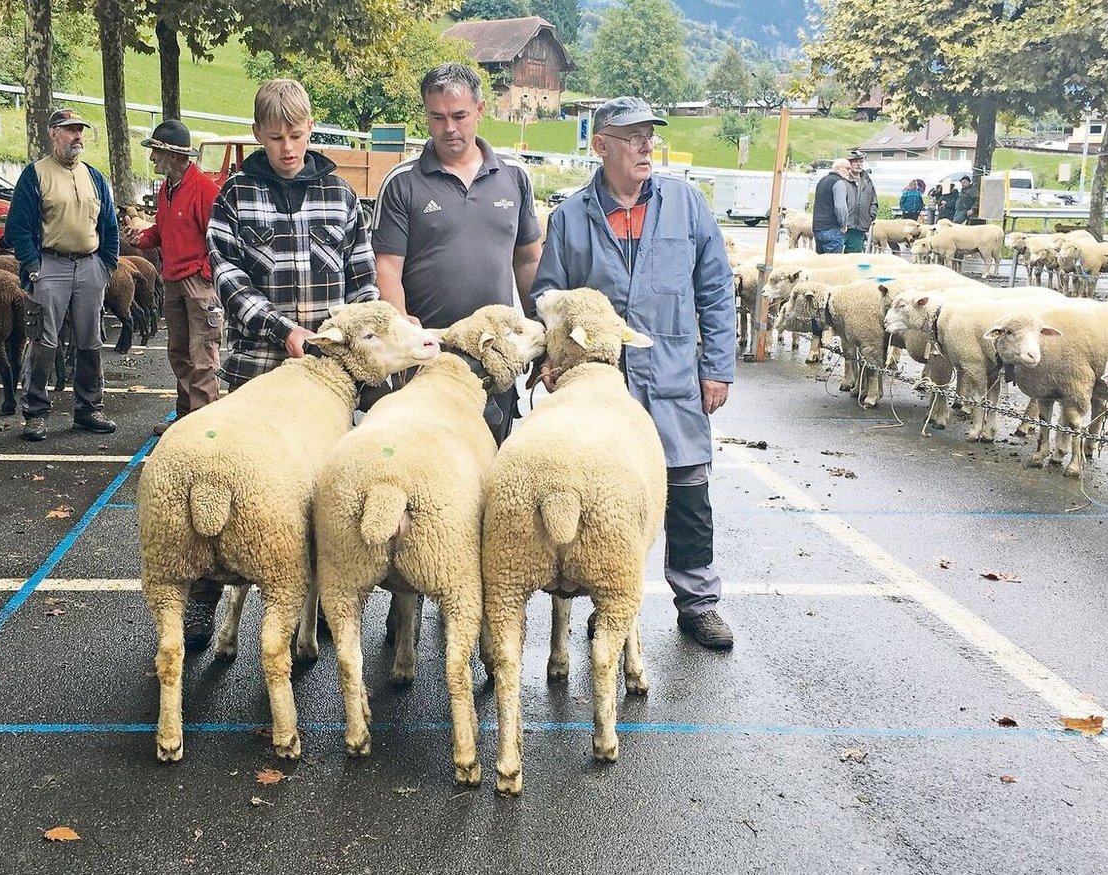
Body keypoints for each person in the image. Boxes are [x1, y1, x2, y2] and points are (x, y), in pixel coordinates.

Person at [530, 96, 738, 651]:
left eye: (649, 136)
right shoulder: (571, 217)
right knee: (603, 497)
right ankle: (609, 604)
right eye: (632, 138)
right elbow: (548, 296)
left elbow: (716, 289)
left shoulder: (685, 204)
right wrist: (552, 356)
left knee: (688, 491)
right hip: (600, 386)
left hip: (672, 376)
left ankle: (698, 603)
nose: (646, 146)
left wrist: (717, 366)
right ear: (601, 146)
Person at [194, 78, 378, 650]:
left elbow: (362, 279)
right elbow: (227, 276)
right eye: (276, 138)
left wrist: (356, 337)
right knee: (234, 478)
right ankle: (205, 592)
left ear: (310, 128)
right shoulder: (234, 195)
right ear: (258, 134)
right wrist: (283, 329)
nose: (288, 147)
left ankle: (316, 603)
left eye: (296, 135)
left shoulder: (340, 196)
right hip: (258, 369)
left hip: (326, 379)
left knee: (321, 484)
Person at [372, 62, 542, 445]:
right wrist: (405, 334)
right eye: (438, 117)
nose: (449, 127)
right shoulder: (402, 183)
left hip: (496, 357)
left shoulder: (514, 176)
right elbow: (386, 269)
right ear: (426, 116)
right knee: (427, 465)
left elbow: (529, 260)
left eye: (459, 116)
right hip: (431, 356)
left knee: (489, 461)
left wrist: (537, 333)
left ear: (480, 110)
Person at [5, 108, 121, 442]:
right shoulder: (35, 175)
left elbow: (109, 224)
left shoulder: (94, 176)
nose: (77, 136)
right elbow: (17, 228)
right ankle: (35, 412)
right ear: (54, 133)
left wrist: (106, 265)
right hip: (50, 265)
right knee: (44, 342)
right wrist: (34, 267)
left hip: (90, 266)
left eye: (80, 130)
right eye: (70, 130)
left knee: (90, 340)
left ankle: (89, 408)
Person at [123, 119, 222, 435]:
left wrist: (205, 275)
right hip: (175, 280)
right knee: (180, 352)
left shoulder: (205, 190)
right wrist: (142, 238)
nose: (152, 157)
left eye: (157, 151)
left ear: (175, 155)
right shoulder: (169, 187)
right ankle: (186, 418)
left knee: (203, 355)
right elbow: (163, 231)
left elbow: (221, 239)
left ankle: (202, 428)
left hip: (197, 283)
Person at [811, 158, 852, 254]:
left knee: (821, 260)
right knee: (834, 262)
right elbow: (840, 207)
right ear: (838, 168)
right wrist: (843, 225)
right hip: (832, 229)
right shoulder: (839, 183)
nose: (849, 172)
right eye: (847, 168)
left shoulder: (822, 181)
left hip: (818, 228)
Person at [844, 150, 877, 253]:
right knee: (837, 257)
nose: (859, 164)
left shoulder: (867, 181)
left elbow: (874, 201)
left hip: (859, 227)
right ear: (849, 163)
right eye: (855, 161)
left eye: (861, 161)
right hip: (843, 226)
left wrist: (870, 216)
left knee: (854, 257)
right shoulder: (842, 179)